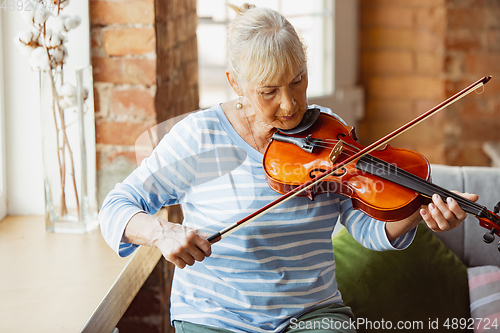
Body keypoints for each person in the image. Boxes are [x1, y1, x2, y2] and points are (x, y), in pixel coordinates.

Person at [98, 4, 478, 333]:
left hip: (311, 314)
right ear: (236, 84)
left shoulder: (330, 134)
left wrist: (416, 212)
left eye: (298, 81)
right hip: (215, 316)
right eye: (269, 91)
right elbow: (116, 207)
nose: (290, 105)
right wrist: (161, 231)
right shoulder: (199, 138)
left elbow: (366, 228)